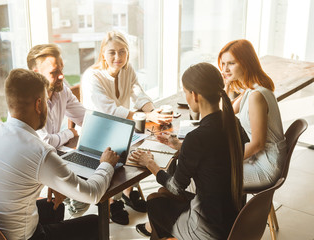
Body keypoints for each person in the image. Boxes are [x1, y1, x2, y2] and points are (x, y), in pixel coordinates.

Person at [0, 68, 120, 240]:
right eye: (47, 101)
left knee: (56, 207)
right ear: (38, 104)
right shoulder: (39, 151)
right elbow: (92, 193)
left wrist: (54, 182)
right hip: (19, 237)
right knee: (94, 222)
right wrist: (106, 164)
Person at [130, 63, 245, 239]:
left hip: (207, 228)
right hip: (233, 217)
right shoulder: (233, 123)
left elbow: (176, 188)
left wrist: (150, 164)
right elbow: (215, 156)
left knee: (154, 201)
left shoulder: (197, 137)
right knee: (162, 195)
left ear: (194, 95)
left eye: (185, 92)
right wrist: (181, 147)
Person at [81, 30, 172, 225]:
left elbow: (138, 93)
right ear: (103, 54)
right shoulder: (92, 77)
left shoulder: (127, 69)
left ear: (128, 53)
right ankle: (113, 200)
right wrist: (148, 116)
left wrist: (154, 112)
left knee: (143, 144)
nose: (118, 57)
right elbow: (110, 110)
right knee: (123, 150)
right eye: (112, 52)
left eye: (122, 52)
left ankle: (129, 192)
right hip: (98, 131)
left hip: (121, 128)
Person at [27, 43, 89, 214]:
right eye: (54, 72)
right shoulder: (29, 102)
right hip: (35, 165)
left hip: (52, 155)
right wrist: (70, 132)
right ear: (36, 75)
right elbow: (45, 141)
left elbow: (85, 118)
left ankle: (71, 211)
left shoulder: (62, 91)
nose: (62, 76)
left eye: (62, 69)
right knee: (84, 190)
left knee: (96, 171)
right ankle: (70, 215)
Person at [218, 39, 287, 189]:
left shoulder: (256, 95)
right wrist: (226, 86)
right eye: (223, 64)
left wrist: (228, 160)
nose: (225, 69)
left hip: (265, 167)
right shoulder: (251, 89)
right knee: (209, 167)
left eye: (231, 63)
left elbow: (257, 145)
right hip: (259, 159)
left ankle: (214, 212)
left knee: (207, 176)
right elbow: (224, 112)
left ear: (246, 63)